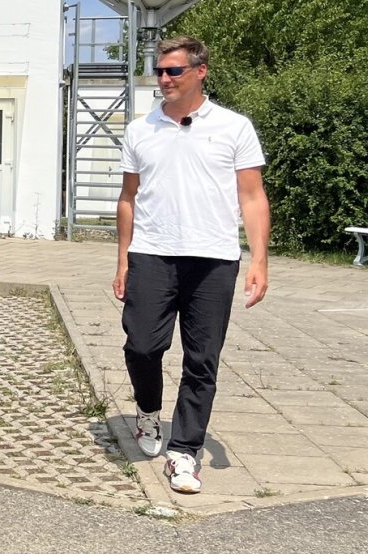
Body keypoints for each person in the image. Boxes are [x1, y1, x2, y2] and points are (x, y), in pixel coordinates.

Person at [113, 35, 271, 494]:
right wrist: (122, 259)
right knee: (141, 346)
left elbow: (252, 195)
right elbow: (128, 198)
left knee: (202, 359)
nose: (164, 79)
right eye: (160, 71)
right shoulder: (140, 130)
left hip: (214, 259)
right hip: (152, 253)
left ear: (200, 72)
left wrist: (259, 259)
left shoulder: (234, 127)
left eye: (173, 71)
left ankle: (184, 452)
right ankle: (147, 413)